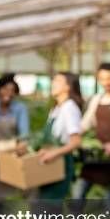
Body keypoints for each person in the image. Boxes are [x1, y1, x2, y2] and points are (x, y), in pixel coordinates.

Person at [73, 62, 110, 199]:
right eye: (103, 79)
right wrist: (74, 137)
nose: (107, 82)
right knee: (78, 192)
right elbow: (86, 122)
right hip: (96, 154)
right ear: (98, 79)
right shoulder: (97, 99)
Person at [37, 72, 83, 200]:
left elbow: (76, 141)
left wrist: (53, 153)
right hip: (50, 161)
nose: (53, 83)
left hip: (60, 162)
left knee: (49, 207)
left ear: (67, 87)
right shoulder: (56, 109)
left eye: (57, 81)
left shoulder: (69, 108)